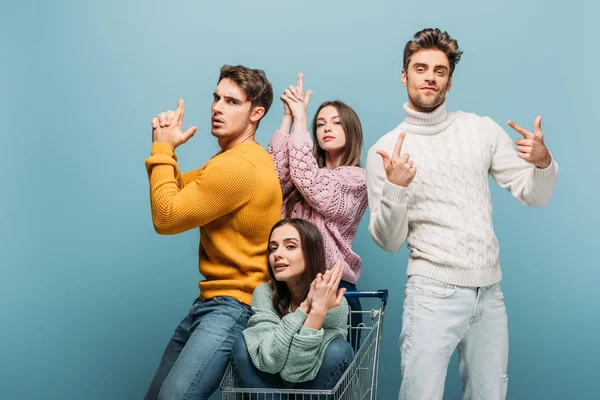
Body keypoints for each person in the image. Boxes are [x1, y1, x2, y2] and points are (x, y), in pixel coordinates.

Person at [366, 28, 559, 400]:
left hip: (489, 294)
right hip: (431, 294)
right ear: (404, 76)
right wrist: (396, 187)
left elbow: (534, 196)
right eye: (420, 68)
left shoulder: (480, 130)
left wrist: (543, 162)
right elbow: (389, 242)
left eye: (439, 71)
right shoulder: (386, 150)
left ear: (449, 82)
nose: (430, 77)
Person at [144, 65, 282, 400]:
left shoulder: (239, 167)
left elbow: (166, 216)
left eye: (232, 101)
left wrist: (163, 150)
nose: (217, 107)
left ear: (256, 113)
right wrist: (165, 150)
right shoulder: (230, 160)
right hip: (213, 302)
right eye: (216, 97)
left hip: (234, 305)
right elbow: (177, 191)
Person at [268, 73, 368, 341]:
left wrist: (303, 119)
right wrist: (289, 118)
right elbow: (273, 182)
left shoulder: (357, 179)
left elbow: (314, 186)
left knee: (335, 379)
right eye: (320, 123)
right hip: (291, 289)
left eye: (336, 123)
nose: (326, 128)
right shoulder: (306, 175)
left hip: (335, 290)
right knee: (286, 372)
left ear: (351, 131)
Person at [232, 218, 354, 391]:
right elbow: (268, 361)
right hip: (271, 388)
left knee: (338, 350)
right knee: (243, 345)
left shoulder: (335, 304)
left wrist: (318, 311)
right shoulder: (264, 294)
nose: (277, 254)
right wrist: (304, 309)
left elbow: (293, 373)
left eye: (290, 246)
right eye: (273, 248)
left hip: (310, 388)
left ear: (311, 253)